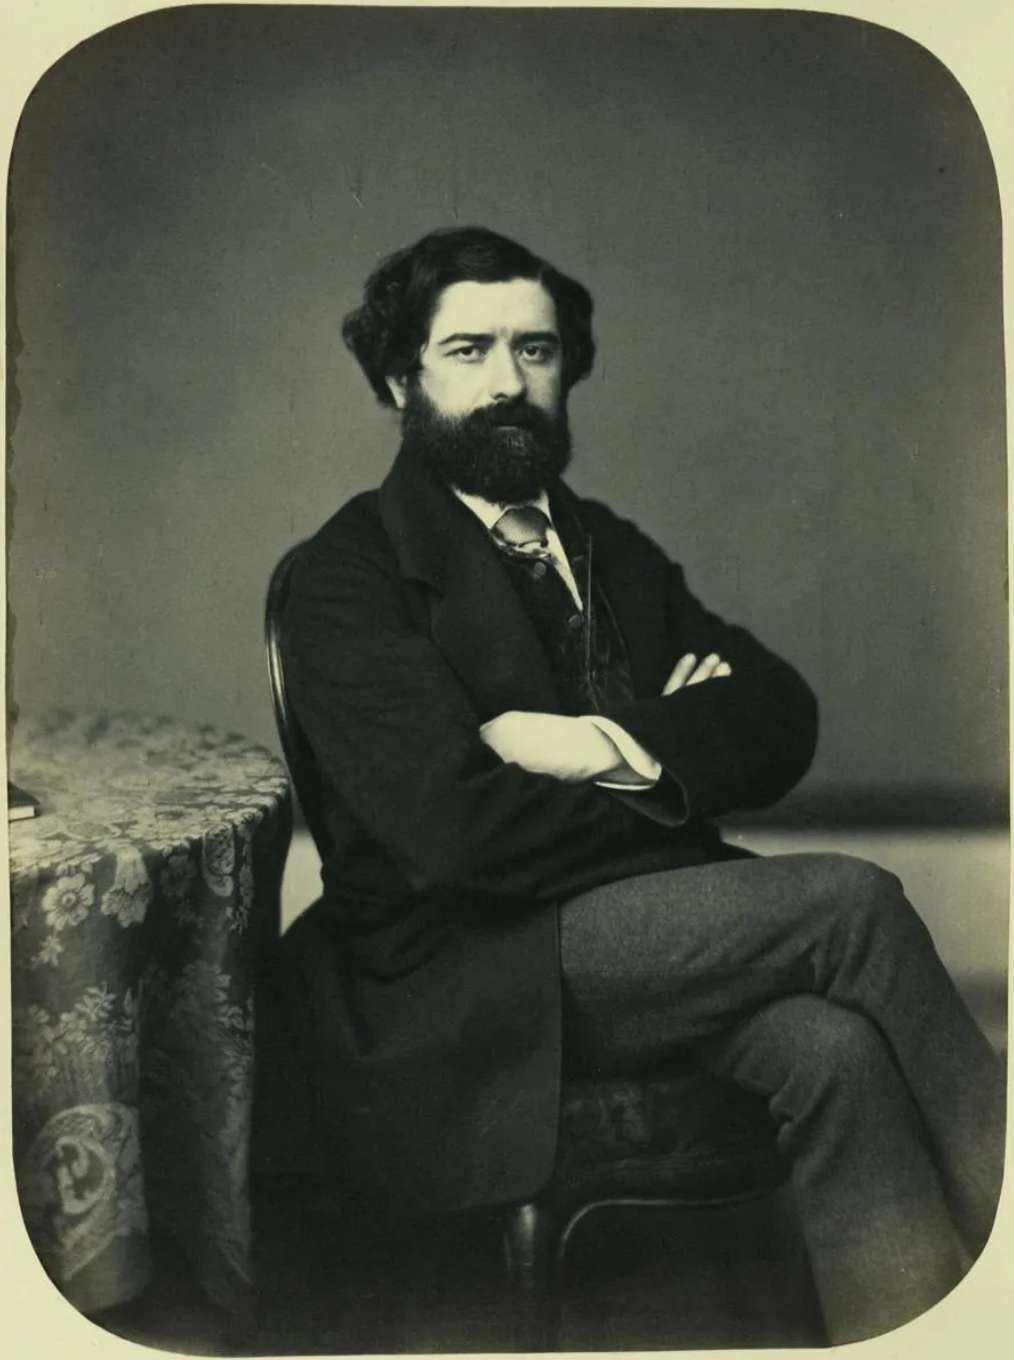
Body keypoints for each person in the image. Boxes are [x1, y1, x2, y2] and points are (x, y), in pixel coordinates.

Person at [278, 226, 1004, 1344]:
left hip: (647, 938)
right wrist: (674, 762)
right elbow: (458, 837)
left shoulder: (605, 546)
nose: (509, 381)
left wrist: (596, 743)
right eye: (468, 350)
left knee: (837, 1051)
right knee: (850, 902)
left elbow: (780, 715)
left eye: (536, 350)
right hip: (462, 966)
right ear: (398, 380)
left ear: (567, 369)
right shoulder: (347, 577)